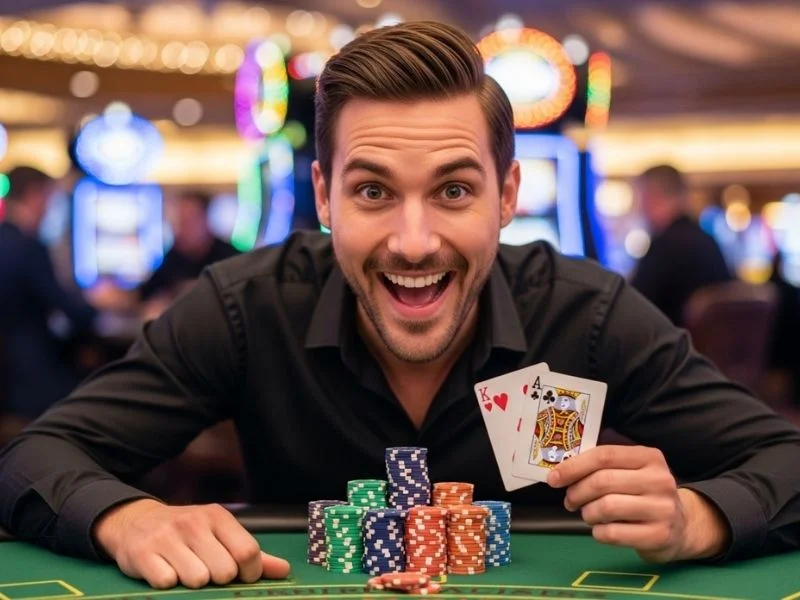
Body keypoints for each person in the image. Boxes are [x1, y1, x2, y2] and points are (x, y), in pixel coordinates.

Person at [1, 21, 799, 590]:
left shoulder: (581, 314)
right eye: (373, 191)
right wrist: (122, 517)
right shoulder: (247, 307)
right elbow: (30, 462)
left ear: (507, 196)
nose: (414, 242)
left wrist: (703, 517)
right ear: (323, 196)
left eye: (453, 189)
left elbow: (786, 461)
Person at [0, 166, 98, 420]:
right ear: (35, 195)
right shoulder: (30, 249)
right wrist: (99, 303)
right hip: (29, 378)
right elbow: (74, 312)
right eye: (50, 199)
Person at [629, 164, 732, 326]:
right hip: (709, 349)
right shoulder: (708, 241)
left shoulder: (665, 246)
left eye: (640, 198)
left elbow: (631, 306)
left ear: (651, 196)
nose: (639, 208)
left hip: (676, 347)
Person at [136, 190, 239, 317]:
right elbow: (145, 294)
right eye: (178, 221)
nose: (180, 228)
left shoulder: (231, 258)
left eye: (188, 221)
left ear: (206, 220)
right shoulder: (174, 256)